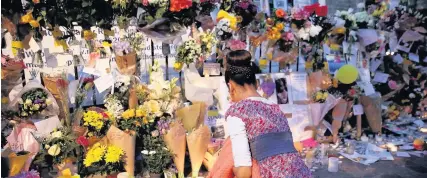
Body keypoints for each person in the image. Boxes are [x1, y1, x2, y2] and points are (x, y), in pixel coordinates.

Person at [208, 50, 311, 178]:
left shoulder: (238, 112)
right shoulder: (275, 108)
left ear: (231, 87)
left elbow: (244, 172)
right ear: (256, 84)